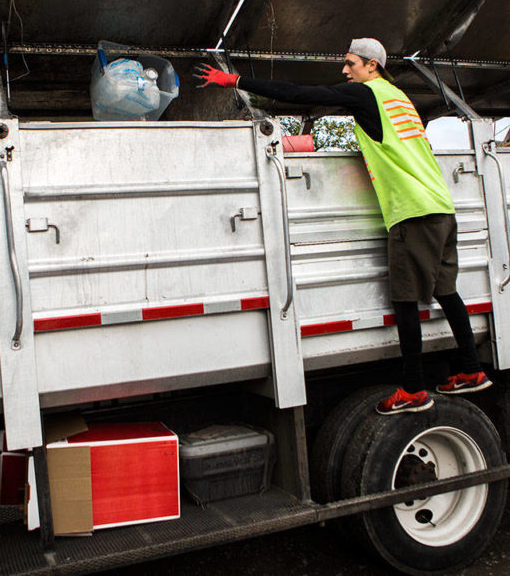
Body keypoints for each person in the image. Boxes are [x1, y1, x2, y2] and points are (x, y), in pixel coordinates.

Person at [194, 39, 491, 415]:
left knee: (404, 299)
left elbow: (302, 94)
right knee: (446, 292)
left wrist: (234, 79)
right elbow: (379, 141)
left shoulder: (367, 94)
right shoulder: (398, 98)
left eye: (350, 64)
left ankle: (414, 389)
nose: (344, 71)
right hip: (441, 209)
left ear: (371, 65)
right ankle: (472, 369)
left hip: (412, 212)